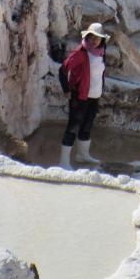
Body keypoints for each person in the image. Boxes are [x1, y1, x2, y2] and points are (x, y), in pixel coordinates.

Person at [59, 22, 110, 169]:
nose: (95, 40)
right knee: (73, 127)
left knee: (87, 126)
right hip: (79, 97)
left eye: (98, 38)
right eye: (92, 37)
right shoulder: (81, 53)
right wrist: (67, 90)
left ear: (102, 40)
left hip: (94, 97)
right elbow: (63, 70)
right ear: (87, 37)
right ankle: (63, 163)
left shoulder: (101, 52)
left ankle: (82, 155)